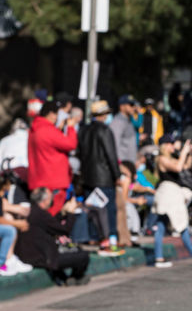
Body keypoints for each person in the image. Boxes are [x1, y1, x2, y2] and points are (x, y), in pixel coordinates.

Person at [151, 137, 192, 268]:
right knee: (181, 223)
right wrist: (183, 152)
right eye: (171, 143)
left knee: (162, 225)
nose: (173, 146)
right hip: (168, 193)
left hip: (171, 194)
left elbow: (185, 166)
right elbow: (178, 168)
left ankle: (159, 257)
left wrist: (188, 153)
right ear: (164, 145)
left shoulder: (171, 158)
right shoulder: (162, 158)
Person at [16, 187, 90, 285]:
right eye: (51, 198)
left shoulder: (32, 211)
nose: (52, 201)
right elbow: (64, 230)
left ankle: (65, 278)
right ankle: (76, 276)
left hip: (30, 255)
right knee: (83, 256)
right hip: (42, 258)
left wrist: (63, 213)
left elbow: (51, 224)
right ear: (45, 200)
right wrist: (71, 213)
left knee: (67, 252)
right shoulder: (41, 214)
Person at [77, 100, 123, 255]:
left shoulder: (83, 131)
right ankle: (110, 240)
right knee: (108, 210)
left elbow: (80, 154)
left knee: (93, 210)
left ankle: (95, 237)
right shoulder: (105, 130)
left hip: (88, 177)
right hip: (104, 178)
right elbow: (111, 155)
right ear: (104, 114)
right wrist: (117, 175)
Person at [28, 100, 77, 215]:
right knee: (51, 217)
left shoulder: (35, 128)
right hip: (53, 183)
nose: (57, 118)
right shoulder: (47, 130)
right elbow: (71, 144)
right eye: (56, 115)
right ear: (50, 114)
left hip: (39, 180)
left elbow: (49, 145)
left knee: (41, 216)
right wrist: (70, 128)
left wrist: (57, 130)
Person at [110, 95, 139, 166]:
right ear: (122, 106)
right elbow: (114, 144)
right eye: (131, 105)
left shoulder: (128, 120)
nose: (134, 107)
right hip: (122, 164)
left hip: (129, 164)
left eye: (134, 105)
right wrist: (119, 164)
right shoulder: (117, 122)